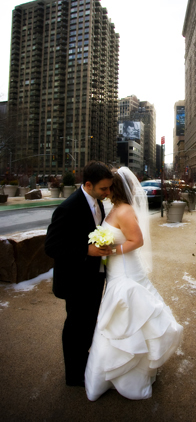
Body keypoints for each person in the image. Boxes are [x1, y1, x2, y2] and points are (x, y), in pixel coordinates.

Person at [85, 167, 183, 401]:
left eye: (109, 187)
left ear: (116, 187)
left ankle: (133, 373)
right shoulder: (112, 209)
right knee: (122, 319)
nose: (106, 190)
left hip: (126, 272)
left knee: (129, 317)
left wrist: (112, 250)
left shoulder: (125, 210)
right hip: (115, 271)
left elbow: (136, 240)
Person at [45, 161, 113, 387]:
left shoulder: (97, 203)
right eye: (104, 188)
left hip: (94, 277)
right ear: (88, 184)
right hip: (75, 280)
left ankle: (85, 366)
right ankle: (73, 377)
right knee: (75, 326)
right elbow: (52, 247)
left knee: (88, 324)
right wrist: (87, 249)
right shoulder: (67, 208)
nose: (107, 193)